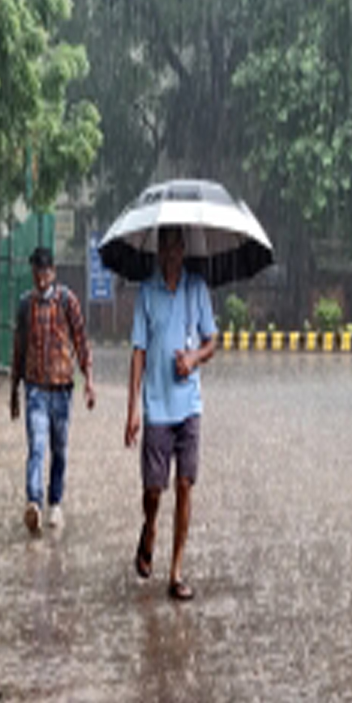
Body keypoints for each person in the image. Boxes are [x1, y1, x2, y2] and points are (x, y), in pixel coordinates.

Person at [125, 225, 217, 601]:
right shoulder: (147, 292)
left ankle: (176, 571)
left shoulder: (198, 289)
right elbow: (138, 351)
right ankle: (150, 527)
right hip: (157, 407)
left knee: (185, 484)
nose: (170, 253)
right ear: (159, 251)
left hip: (189, 405)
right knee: (153, 489)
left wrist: (194, 358)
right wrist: (132, 409)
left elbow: (212, 341)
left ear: (183, 248)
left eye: (176, 246)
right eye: (164, 246)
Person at [10, 246, 96, 534]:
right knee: (36, 446)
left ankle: (55, 502)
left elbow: (81, 340)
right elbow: (18, 349)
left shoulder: (67, 301)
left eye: (45, 272)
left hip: (62, 389)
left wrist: (89, 381)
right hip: (34, 388)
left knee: (59, 448)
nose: (41, 278)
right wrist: (13, 391)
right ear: (33, 273)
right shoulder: (25, 305)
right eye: (36, 273)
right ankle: (33, 502)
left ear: (53, 272)